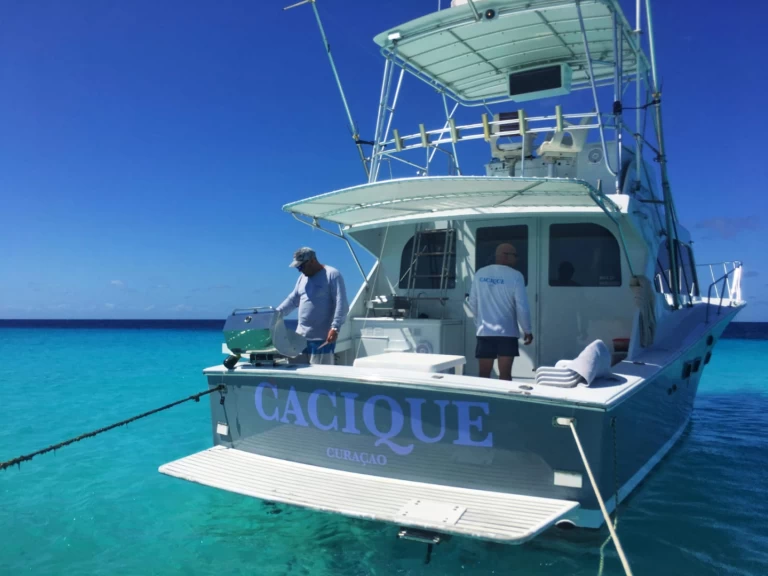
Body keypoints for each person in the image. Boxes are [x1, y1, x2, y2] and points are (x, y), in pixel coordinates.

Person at [468, 243, 533, 380]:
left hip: (484, 332)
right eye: (514, 255)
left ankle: (484, 401)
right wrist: (527, 330)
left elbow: (472, 302)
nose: (517, 259)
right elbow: (521, 306)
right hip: (507, 334)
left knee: (484, 374)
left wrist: (478, 322)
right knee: (505, 376)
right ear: (505, 256)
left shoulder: (480, 273)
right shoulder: (516, 276)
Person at [276, 247, 349, 365]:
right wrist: (276, 314)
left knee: (320, 377)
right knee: (298, 375)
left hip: (321, 339)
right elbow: (293, 299)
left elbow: (341, 303)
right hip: (299, 338)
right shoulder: (302, 278)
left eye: (301, 266)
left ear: (312, 261)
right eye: (297, 267)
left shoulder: (332, 274)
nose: (299, 270)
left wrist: (335, 327)